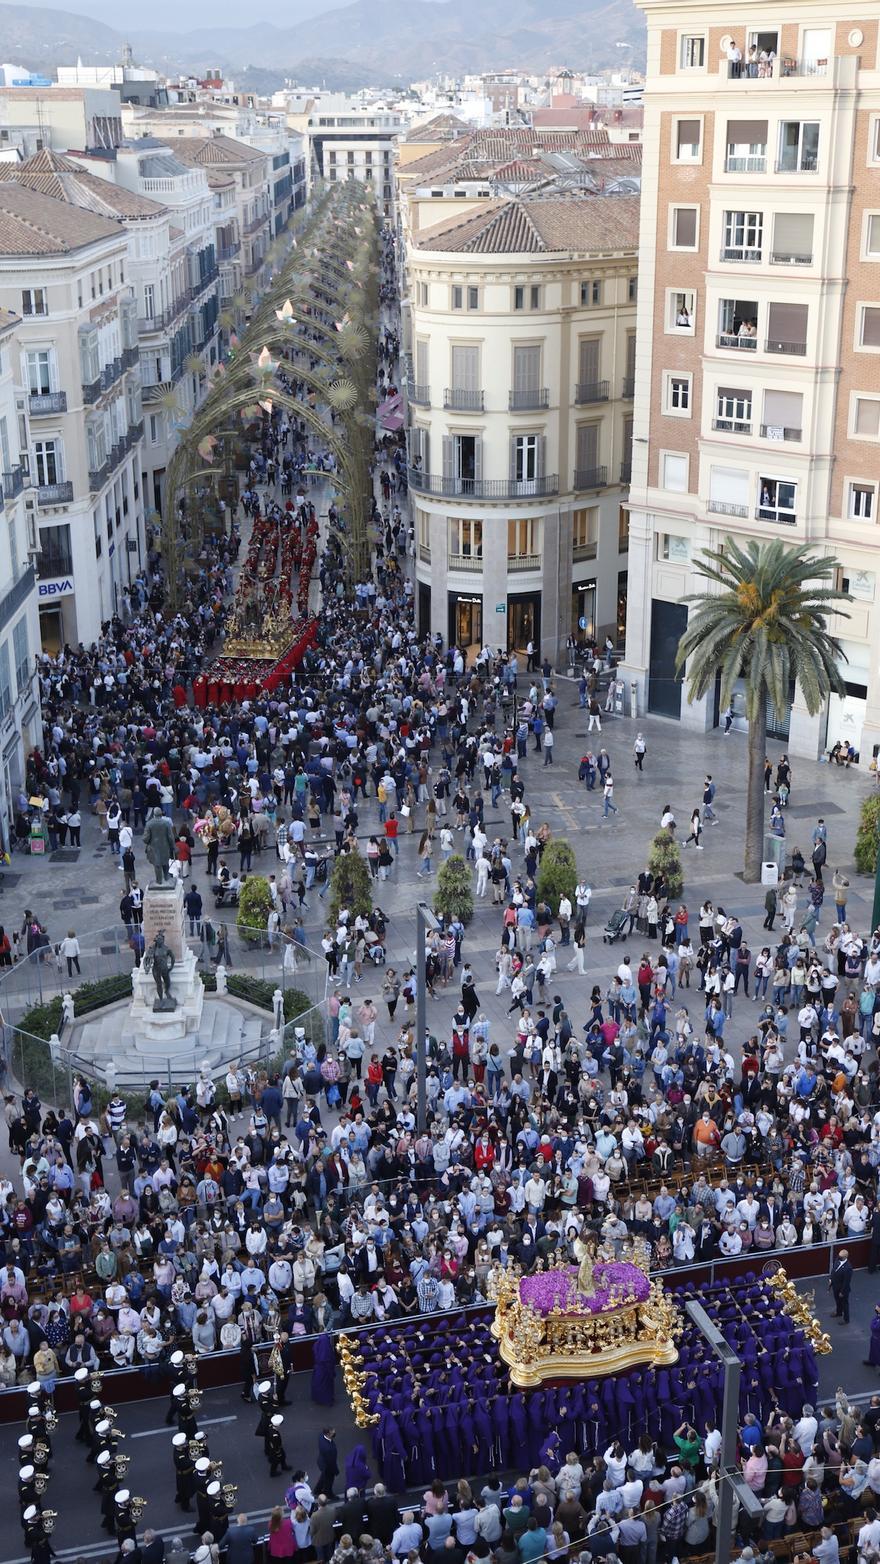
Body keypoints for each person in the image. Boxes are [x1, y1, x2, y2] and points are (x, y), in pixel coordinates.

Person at [830, 1248, 853, 1323]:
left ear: (845, 1257)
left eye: (841, 1257)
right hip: (835, 1286)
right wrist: (831, 1279)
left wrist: (842, 1292)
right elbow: (834, 1270)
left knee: (844, 1304)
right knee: (837, 1301)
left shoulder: (848, 1268)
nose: (838, 1257)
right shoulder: (837, 1260)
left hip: (842, 1289)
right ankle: (839, 1312)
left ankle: (846, 1319)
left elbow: (846, 1282)